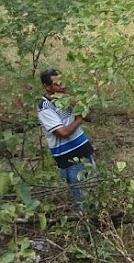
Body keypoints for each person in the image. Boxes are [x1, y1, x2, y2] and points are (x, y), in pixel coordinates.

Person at [37, 69, 95, 211]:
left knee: (94, 190)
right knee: (81, 197)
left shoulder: (66, 99)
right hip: (69, 157)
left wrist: (77, 105)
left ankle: (97, 224)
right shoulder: (44, 107)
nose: (62, 86)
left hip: (84, 149)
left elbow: (90, 117)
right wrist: (79, 118)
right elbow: (62, 132)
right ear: (47, 86)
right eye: (57, 84)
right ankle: (85, 229)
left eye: (63, 82)